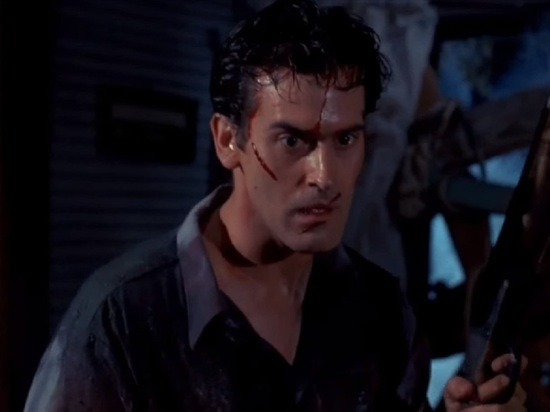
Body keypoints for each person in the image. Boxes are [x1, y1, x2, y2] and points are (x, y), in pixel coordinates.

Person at [24, 0, 527, 411]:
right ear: (229, 141)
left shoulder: (380, 311)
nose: (325, 175)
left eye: (345, 139)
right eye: (292, 141)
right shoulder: (124, 320)